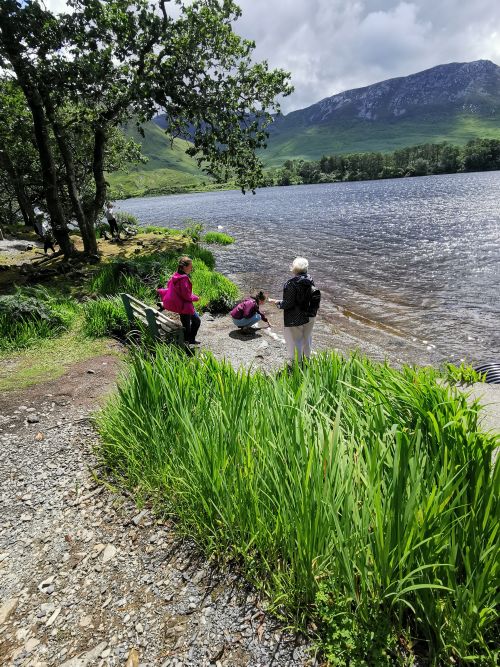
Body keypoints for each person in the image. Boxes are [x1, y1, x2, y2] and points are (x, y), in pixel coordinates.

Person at [269, 257, 320, 363]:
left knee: (295, 340)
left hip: (296, 317)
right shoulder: (310, 279)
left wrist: (277, 303)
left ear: (294, 269)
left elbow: (288, 303)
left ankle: (296, 364)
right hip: (311, 314)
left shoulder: (290, 284)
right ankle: (307, 359)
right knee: (307, 337)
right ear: (306, 268)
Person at [157, 256, 201, 344]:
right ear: (184, 267)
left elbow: (170, 286)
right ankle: (187, 344)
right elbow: (186, 296)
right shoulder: (183, 279)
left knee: (190, 323)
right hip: (185, 306)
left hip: (181, 305)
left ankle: (189, 341)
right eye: (190, 266)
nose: (191, 268)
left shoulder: (176, 276)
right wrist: (196, 298)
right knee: (193, 323)